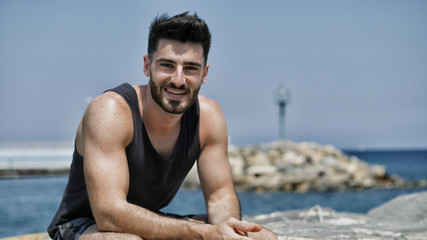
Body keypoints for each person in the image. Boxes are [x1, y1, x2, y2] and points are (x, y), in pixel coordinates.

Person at [48, 12, 277, 240]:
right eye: (167, 65)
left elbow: (220, 196)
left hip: (148, 219)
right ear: (147, 66)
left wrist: (228, 231)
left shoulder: (208, 116)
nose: (178, 80)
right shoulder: (110, 111)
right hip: (85, 225)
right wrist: (205, 234)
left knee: (261, 236)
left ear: (204, 74)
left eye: (190, 68)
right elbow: (109, 215)